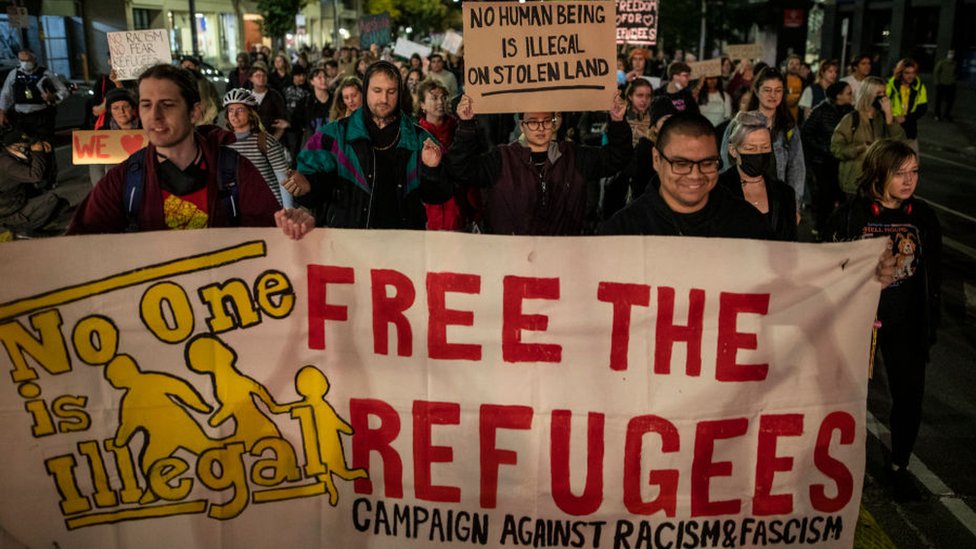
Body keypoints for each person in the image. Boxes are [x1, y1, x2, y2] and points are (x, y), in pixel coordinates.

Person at [825, 139, 941, 502]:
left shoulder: (922, 216)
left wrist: (930, 323)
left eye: (914, 172)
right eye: (899, 173)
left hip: (906, 324)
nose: (909, 181)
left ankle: (899, 466)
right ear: (879, 173)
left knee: (909, 397)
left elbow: (932, 274)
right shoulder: (852, 214)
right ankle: (843, 466)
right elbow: (829, 268)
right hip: (858, 323)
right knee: (850, 396)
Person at [66, 63, 308, 235]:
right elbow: (80, 247)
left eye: (167, 105)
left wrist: (294, 226)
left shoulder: (234, 170)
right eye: (146, 105)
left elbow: (272, 238)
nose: (154, 116)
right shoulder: (124, 180)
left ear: (194, 112)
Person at [447, 93, 631, 235]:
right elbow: (460, 169)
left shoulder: (574, 156)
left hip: (562, 259)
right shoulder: (501, 158)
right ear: (522, 125)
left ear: (555, 123)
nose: (541, 128)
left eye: (546, 121)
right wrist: (465, 126)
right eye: (533, 122)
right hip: (510, 261)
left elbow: (616, 158)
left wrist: (617, 121)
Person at [296, 61, 448, 229]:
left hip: (405, 243)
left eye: (391, 92)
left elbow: (438, 195)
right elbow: (316, 189)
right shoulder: (336, 134)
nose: (384, 99)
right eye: (377, 91)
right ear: (366, 91)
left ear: (400, 93)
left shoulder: (419, 139)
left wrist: (431, 169)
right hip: (351, 243)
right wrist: (307, 186)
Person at [598, 112, 772, 238]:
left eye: (707, 163)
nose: (695, 175)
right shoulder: (623, 231)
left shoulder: (748, 224)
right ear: (657, 160)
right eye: (681, 164)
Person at [223, 88, 309, 208]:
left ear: (251, 113)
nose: (234, 114)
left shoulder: (265, 141)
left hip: (268, 207)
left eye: (240, 110)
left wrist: (287, 210)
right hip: (239, 209)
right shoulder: (223, 142)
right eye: (231, 110)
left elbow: (283, 179)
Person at [719, 111, 797, 241]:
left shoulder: (785, 193)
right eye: (751, 149)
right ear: (733, 150)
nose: (759, 154)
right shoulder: (719, 190)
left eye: (765, 147)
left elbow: (791, 242)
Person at [739, 67, 805, 210]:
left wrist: (796, 206)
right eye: (767, 90)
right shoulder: (740, 123)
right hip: (744, 200)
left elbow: (797, 168)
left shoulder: (789, 127)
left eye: (778, 90)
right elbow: (728, 164)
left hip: (778, 201)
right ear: (757, 91)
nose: (773, 95)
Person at [831, 76, 905, 196]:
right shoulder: (851, 118)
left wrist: (889, 117)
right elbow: (836, 149)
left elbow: (897, 144)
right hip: (854, 182)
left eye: (884, 93)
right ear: (868, 95)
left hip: (876, 183)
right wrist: (860, 148)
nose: (883, 97)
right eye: (879, 93)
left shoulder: (882, 119)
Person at [801, 81, 853, 237]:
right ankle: (821, 227)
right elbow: (807, 134)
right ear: (838, 96)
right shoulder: (820, 111)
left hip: (841, 161)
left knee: (841, 195)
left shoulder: (850, 113)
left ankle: (837, 228)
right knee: (824, 196)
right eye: (848, 93)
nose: (852, 96)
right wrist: (824, 149)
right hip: (822, 162)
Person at [416, 79, 469, 231]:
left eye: (443, 97)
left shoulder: (459, 129)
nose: (440, 102)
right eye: (434, 98)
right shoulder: (415, 135)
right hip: (429, 214)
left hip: (458, 209)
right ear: (422, 105)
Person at [0, 127, 65, 235]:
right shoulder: (7, 163)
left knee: (61, 205)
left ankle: (30, 226)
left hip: (16, 201)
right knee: (51, 200)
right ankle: (21, 230)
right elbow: (35, 176)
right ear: (16, 147)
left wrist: (45, 154)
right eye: (25, 144)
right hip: (9, 211)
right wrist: (38, 153)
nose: (29, 146)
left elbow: (44, 179)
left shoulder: (15, 156)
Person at [0, 49, 69, 142]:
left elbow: (64, 91)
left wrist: (53, 97)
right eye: (22, 60)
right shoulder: (14, 74)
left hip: (40, 117)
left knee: (44, 146)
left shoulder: (45, 74)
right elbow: (6, 94)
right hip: (20, 118)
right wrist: (2, 112)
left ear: (34, 59)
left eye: (27, 60)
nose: (24, 63)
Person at [89, 88, 142, 187]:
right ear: (110, 111)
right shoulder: (101, 134)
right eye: (115, 108)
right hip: (112, 188)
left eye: (125, 106)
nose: (121, 111)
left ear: (133, 108)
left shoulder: (146, 130)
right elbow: (96, 169)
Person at [885, 58, 927, 151]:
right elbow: (882, 105)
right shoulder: (890, 85)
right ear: (900, 73)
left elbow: (922, 108)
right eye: (907, 73)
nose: (911, 76)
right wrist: (893, 116)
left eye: (913, 72)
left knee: (912, 161)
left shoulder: (919, 87)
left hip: (910, 128)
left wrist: (906, 118)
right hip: (892, 127)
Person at [249, 62, 289, 140]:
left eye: (264, 75)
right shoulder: (247, 97)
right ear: (251, 78)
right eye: (258, 76)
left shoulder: (275, 96)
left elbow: (282, 121)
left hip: (272, 137)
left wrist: (273, 141)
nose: (261, 78)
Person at [179, 55, 220, 126]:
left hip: (204, 121)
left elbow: (213, 101)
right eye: (184, 65)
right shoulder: (179, 84)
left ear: (196, 67)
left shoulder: (205, 83)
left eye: (190, 65)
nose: (186, 68)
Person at [932, 50, 957, 122]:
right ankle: (937, 114)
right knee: (939, 100)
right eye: (950, 54)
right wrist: (937, 82)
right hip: (941, 84)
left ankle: (947, 114)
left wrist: (954, 80)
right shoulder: (942, 63)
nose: (951, 55)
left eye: (952, 54)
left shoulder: (954, 64)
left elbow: (955, 73)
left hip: (951, 84)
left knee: (950, 100)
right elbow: (936, 72)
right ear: (947, 55)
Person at [783, 54, 805, 122]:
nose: (794, 66)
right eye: (791, 63)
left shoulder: (804, 82)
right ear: (787, 65)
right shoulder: (781, 80)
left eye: (797, 64)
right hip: (783, 118)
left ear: (800, 66)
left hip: (797, 121)